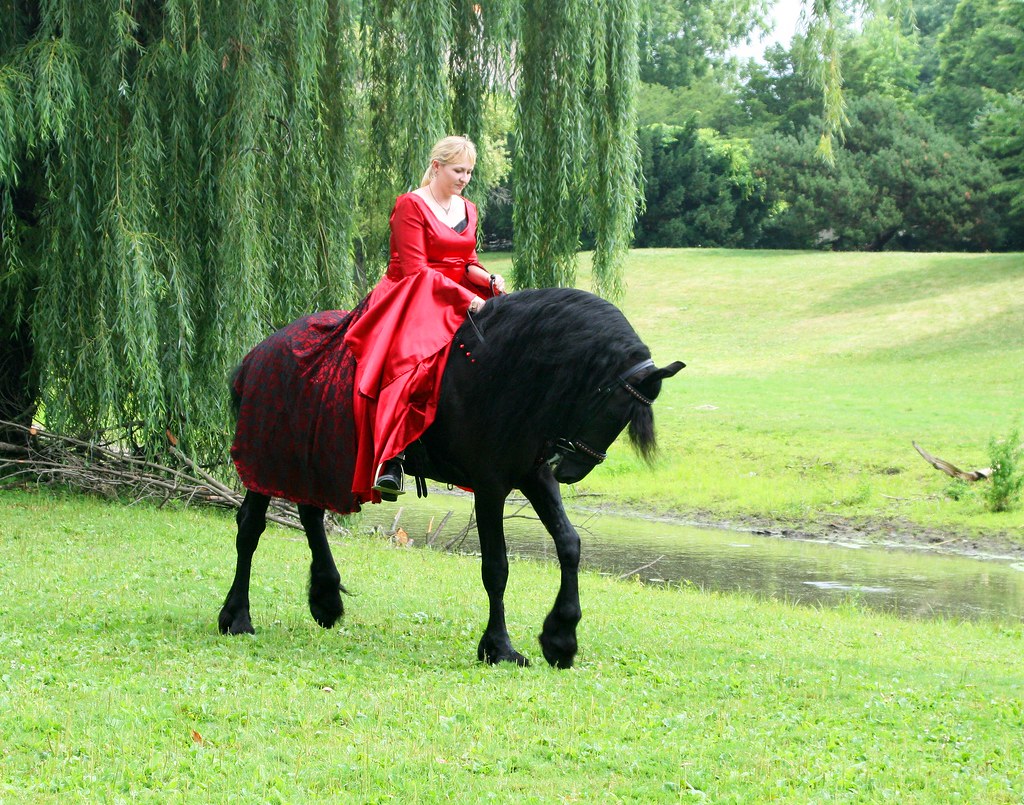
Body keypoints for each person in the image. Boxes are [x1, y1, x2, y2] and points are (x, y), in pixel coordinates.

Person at [343, 135, 506, 502]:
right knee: (412, 366)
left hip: (459, 293)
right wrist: (468, 300)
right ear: (436, 166)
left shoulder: (469, 207)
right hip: (412, 295)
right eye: (457, 170)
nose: (464, 178)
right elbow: (417, 272)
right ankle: (393, 459)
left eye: (469, 172)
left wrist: (488, 280)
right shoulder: (410, 206)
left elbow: (468, 261)